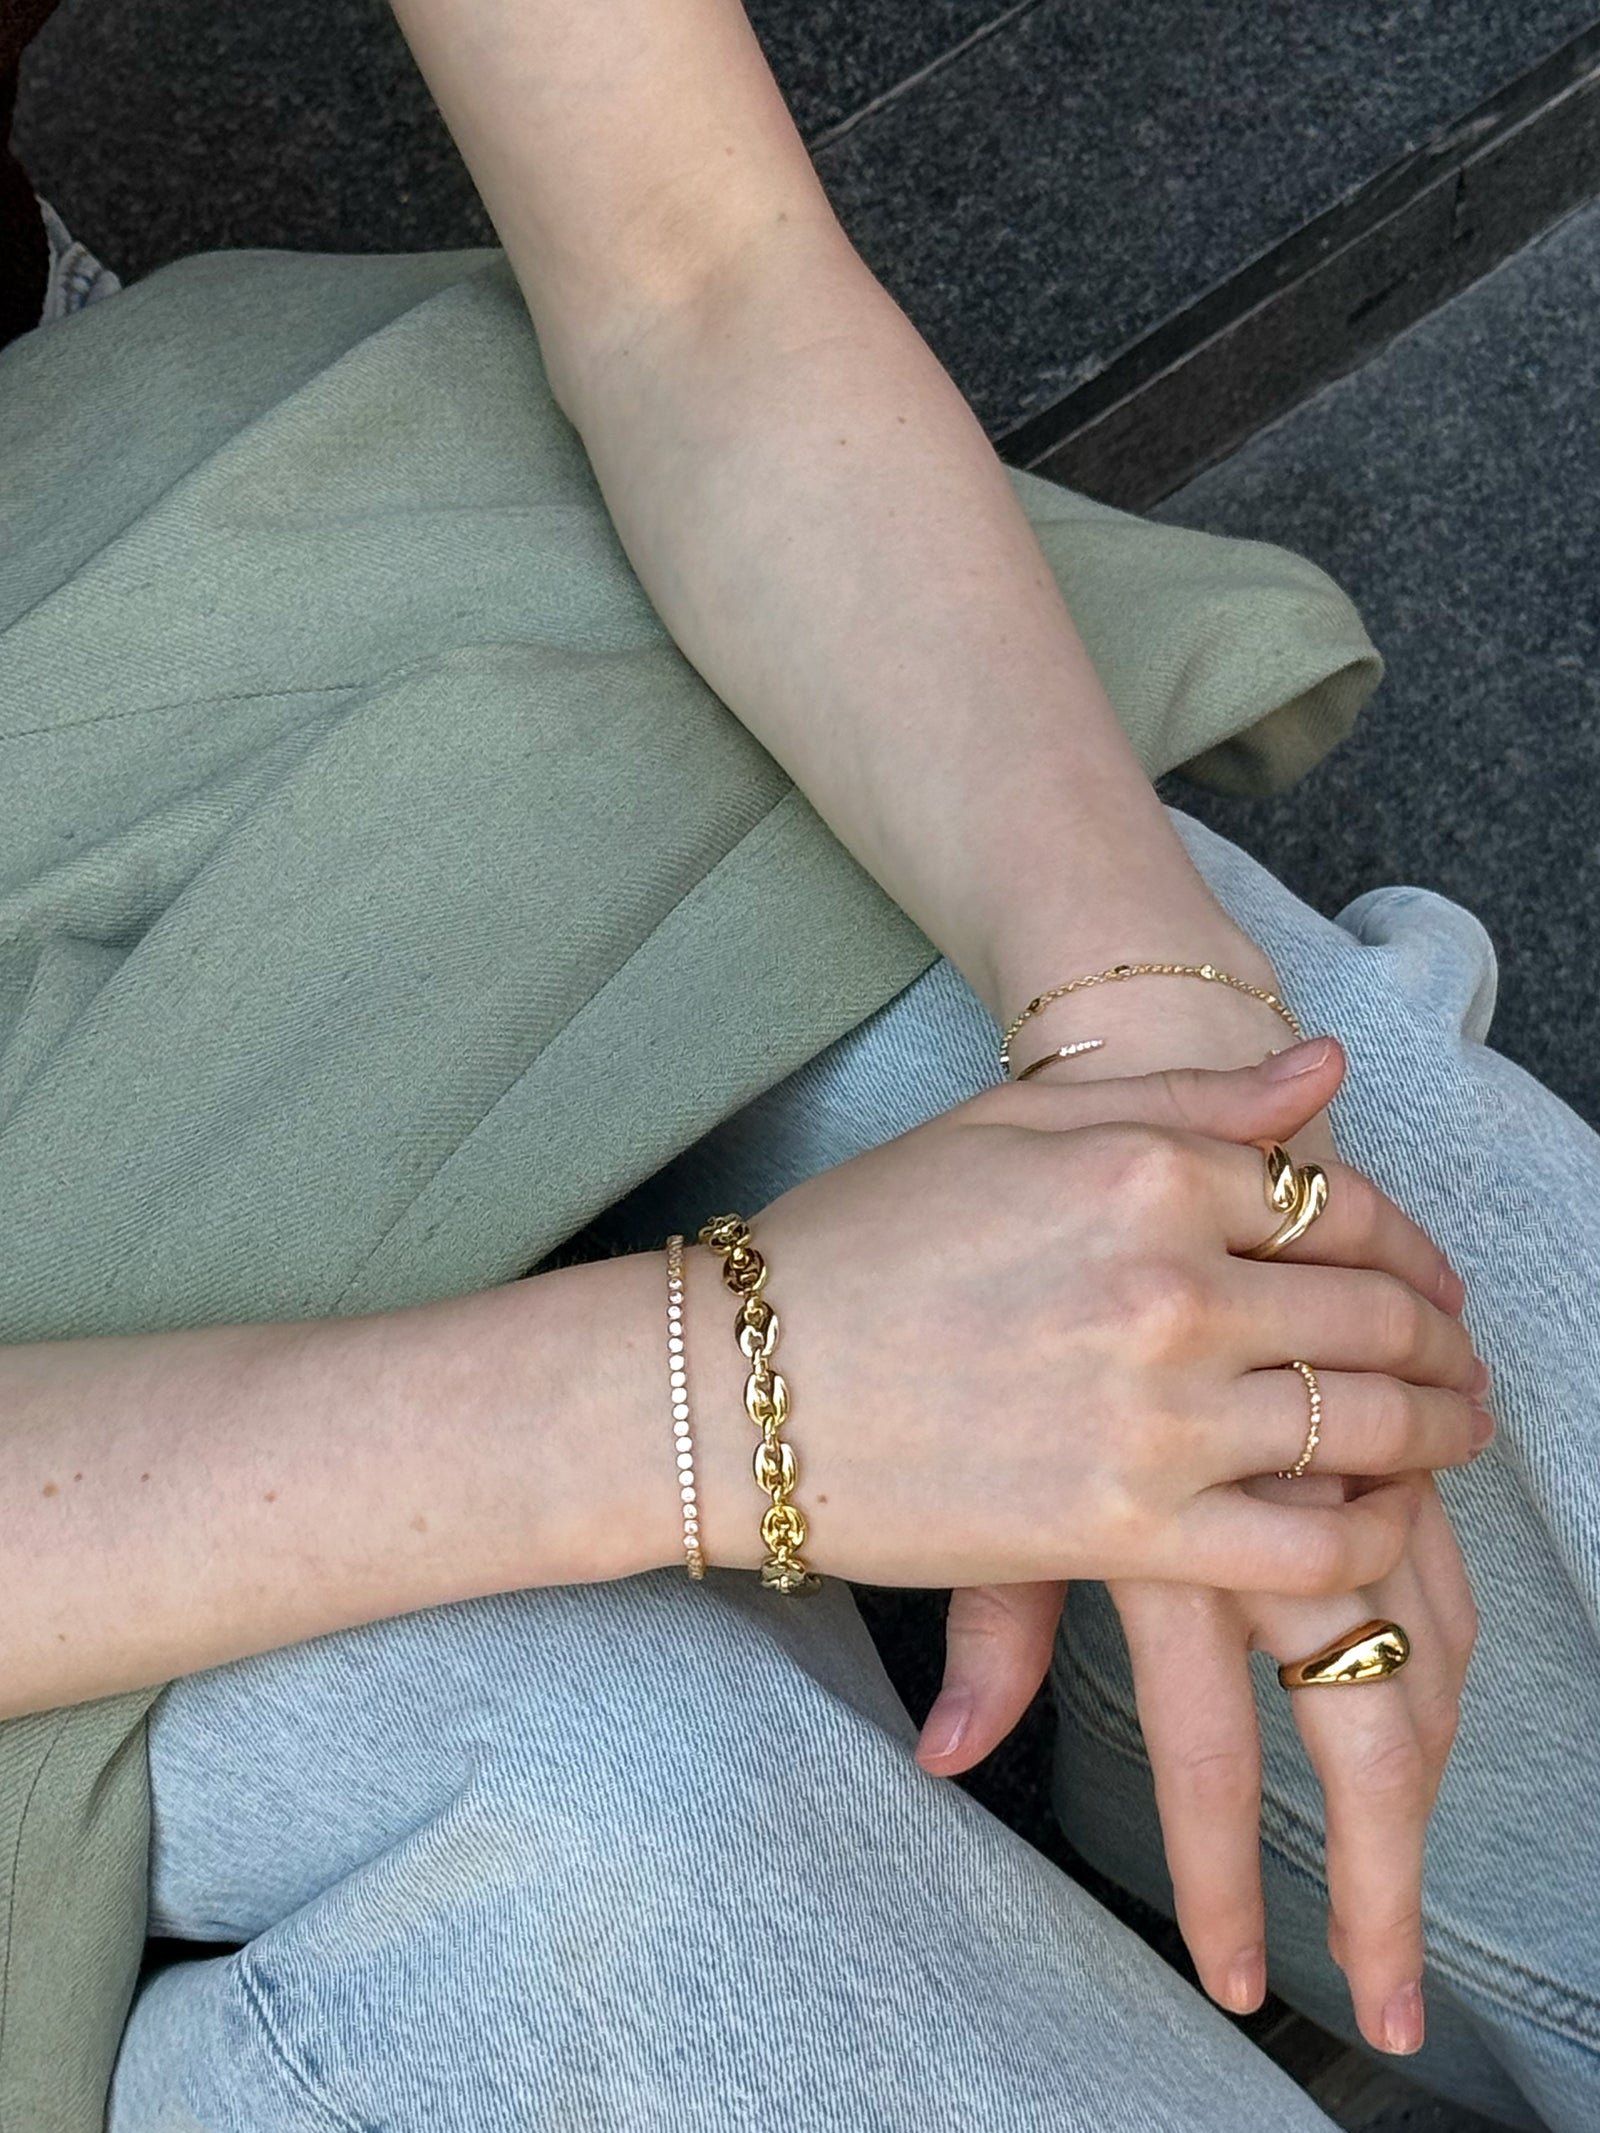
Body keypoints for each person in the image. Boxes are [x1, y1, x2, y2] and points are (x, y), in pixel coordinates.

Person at [0, 3, 1594, 2129]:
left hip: (132, 576)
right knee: (616, 1859)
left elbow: (692, 267)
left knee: (1343, 1280)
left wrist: (1146, 1023)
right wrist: (717, 1391)